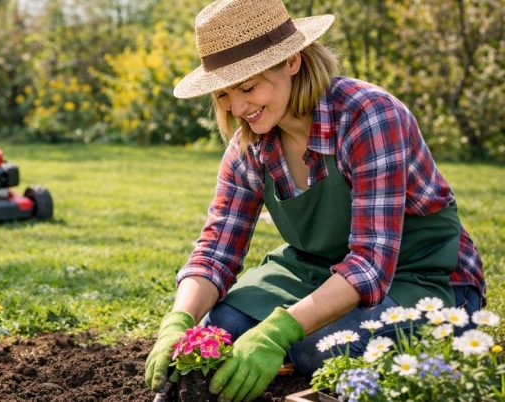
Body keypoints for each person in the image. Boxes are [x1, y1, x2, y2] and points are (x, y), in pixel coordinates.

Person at [144, 0, 486, 401]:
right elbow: (217, 250)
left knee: (319, 345)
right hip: (319, 271)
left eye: (248, 87)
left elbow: (370, 264)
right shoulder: (250, 146)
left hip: (419, 276)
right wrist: (179, 320)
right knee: (222, 322)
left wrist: (279, 331)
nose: (238, 108)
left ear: (292, 61)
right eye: (223, 95)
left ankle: (301, 350)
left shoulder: (368, 116)